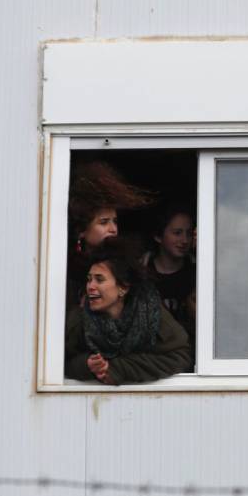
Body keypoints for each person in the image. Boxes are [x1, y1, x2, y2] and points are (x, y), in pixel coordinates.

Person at [65, 238, 192, 384]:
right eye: (89, 280)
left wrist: (118, 368)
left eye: (99, 280)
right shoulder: (79, 319)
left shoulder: (151, 315)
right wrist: (87, 365)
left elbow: (181, 356)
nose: (90, 287)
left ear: (123, 288)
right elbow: (60, 362)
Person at [65, 161, 152, 308]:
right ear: (81, 231)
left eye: (115, 222)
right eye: (104, 222)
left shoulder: (125, 266)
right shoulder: (64, 268)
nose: (113, 229)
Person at [144, 204, 196, 336]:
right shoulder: (141, 274)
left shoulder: (199, 273)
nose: (185, 240)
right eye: (177, 233)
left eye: (189, 233)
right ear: (158, 236)